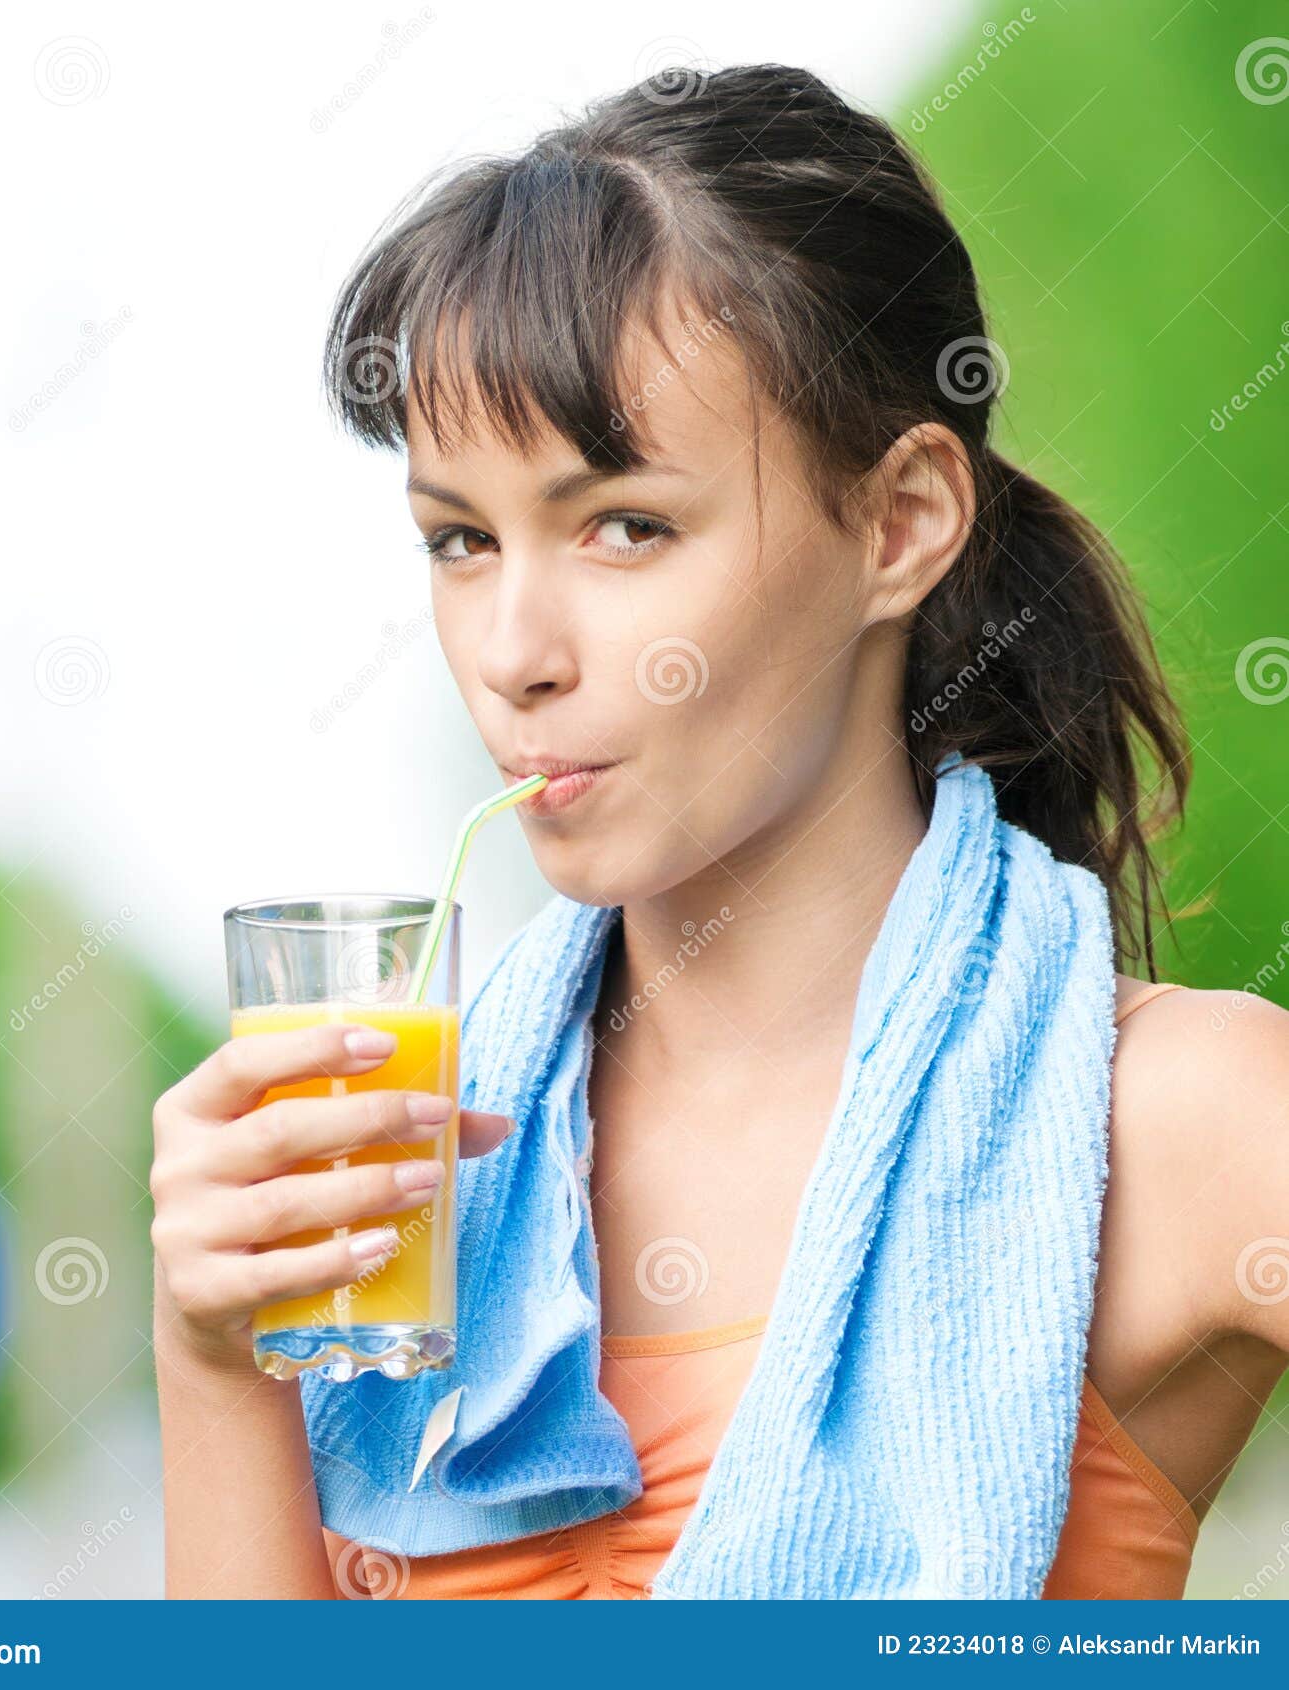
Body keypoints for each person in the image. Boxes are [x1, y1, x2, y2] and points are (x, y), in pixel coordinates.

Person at [150, 64, 1289, 1599]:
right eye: (461, 541)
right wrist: (216, 1351)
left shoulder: (1184, 1116)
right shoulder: (402, 1187)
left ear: (898, 524)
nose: (514, 648)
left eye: (626, 524)